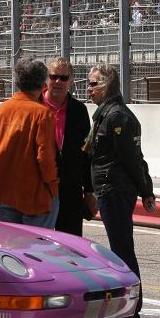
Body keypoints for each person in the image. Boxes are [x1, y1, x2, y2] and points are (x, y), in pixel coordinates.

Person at [85, 63, 155, 318]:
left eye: (92, 84)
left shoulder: (120, 118)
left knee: (123, 251)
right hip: (106, 189)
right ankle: (130, 313)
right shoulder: (102, 114)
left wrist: (146, 191)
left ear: (106, 86)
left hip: (116, 191)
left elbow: (134, 160)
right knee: (121, 250)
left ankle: (133, 314)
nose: (88, 89)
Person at [0, 57, 59, 228]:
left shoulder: (1, 110)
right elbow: (45, 159)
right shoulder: (43, 114)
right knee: (37, 248)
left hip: (7, 193)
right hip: (35, 196)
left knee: (10, 247)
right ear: (43, 83)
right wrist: (53, 186)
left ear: (17, 80)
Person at [42, 58, 95, 236]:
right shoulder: (34, 106)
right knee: (38, 244)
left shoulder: (79, 110)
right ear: (46, 78)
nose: (57, 82)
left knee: (70, 247)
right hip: (40, 187)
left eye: (63, 78)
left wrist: (89, 191)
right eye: (53, 76)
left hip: (70, 189)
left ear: (70, 81)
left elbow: (86, 153)